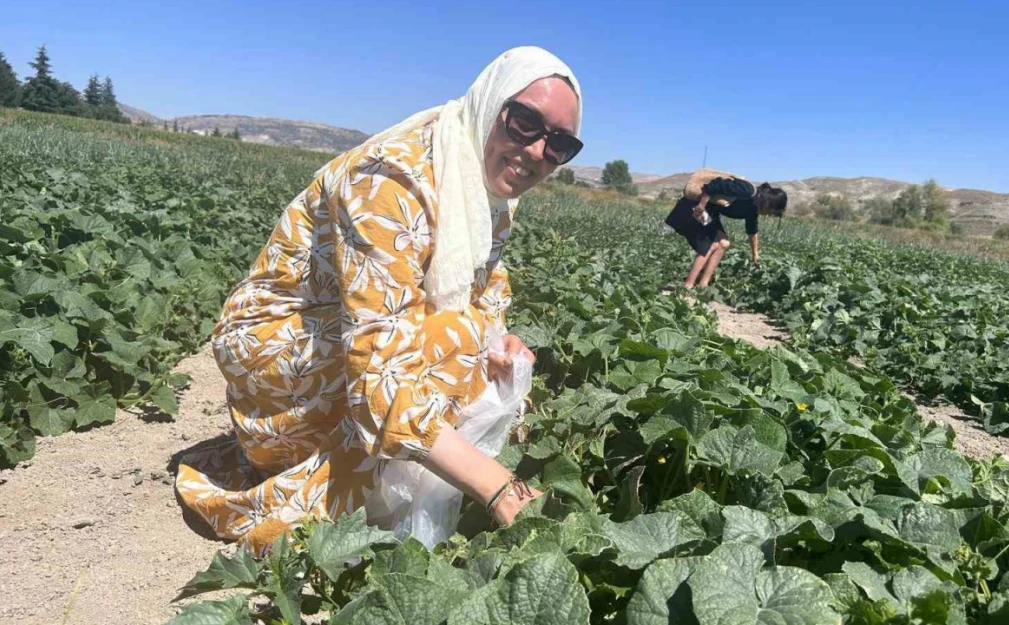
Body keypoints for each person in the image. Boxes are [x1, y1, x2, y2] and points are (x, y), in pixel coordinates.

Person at [175, 47, 583, 554]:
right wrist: (498, 486)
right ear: (489, 103)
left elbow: (485, 292)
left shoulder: (487, 190)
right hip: (273, 352)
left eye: (560, 143)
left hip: (343, 342)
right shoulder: (389, 178)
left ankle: (394, 477)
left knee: (470, 342)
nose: (537, 151)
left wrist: (502, 345)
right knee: (448, 343)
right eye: (524, 122)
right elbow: (379, 367)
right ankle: (329, 499)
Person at [665, 174, 787, 288]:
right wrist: (701, 205)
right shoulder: (747, 190)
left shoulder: (753, 209)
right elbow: (714, 185)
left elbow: (752, 231)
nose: (769, 214)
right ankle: (688, 285)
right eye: (771, 211)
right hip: (696, 207)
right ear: (768, 203)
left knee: (724, 243)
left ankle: (703, 285)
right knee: (710, 245)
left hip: (709, 213)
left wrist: (755, 254)